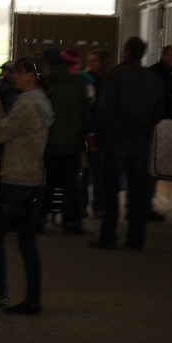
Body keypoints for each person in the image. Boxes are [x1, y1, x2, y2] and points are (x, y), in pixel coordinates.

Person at [0, 56, 55, 315]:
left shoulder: (26, 105)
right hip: (34, 181)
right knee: (27, 241)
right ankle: (33, 300)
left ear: (29, 75)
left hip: (16, 183)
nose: (12, 77)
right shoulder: (42, 101)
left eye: (17, 74)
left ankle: (1, 294)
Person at [89, 37, 163, 250]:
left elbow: (106, 109)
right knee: (138, 190)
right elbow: (159, 111)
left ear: (127, 52)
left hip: (117, 139)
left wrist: (102, 134)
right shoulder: (153, 79)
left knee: (110, 188)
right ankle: (136, 237)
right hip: (141, 140)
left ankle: (108, 235)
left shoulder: (115, 76)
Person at [40, 48, 90, 235]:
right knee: (70, 186)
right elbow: (85, 113)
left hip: (49, 145)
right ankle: (72, 224)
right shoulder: (78, 82)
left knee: (47, 185)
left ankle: (39, 220)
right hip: (72, 144)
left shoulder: (45, 83)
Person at [145, 45, 172, 222]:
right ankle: (144, 205)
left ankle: (143, 204)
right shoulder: (163, 77)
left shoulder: (164, 76)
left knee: (151, 167)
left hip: (159, 125)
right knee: (150, 167)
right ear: (165, 55)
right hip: (157, 126)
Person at [79, 49, 111, 218]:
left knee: (99, 172)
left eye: (95, 61)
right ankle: (83, 205)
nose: (91, 64)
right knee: (85, 171)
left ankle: (98, 204)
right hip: (87, 131)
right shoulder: (85, 80)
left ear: (103, 62)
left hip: (101, 132)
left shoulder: (108, 81)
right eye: (89, 60)